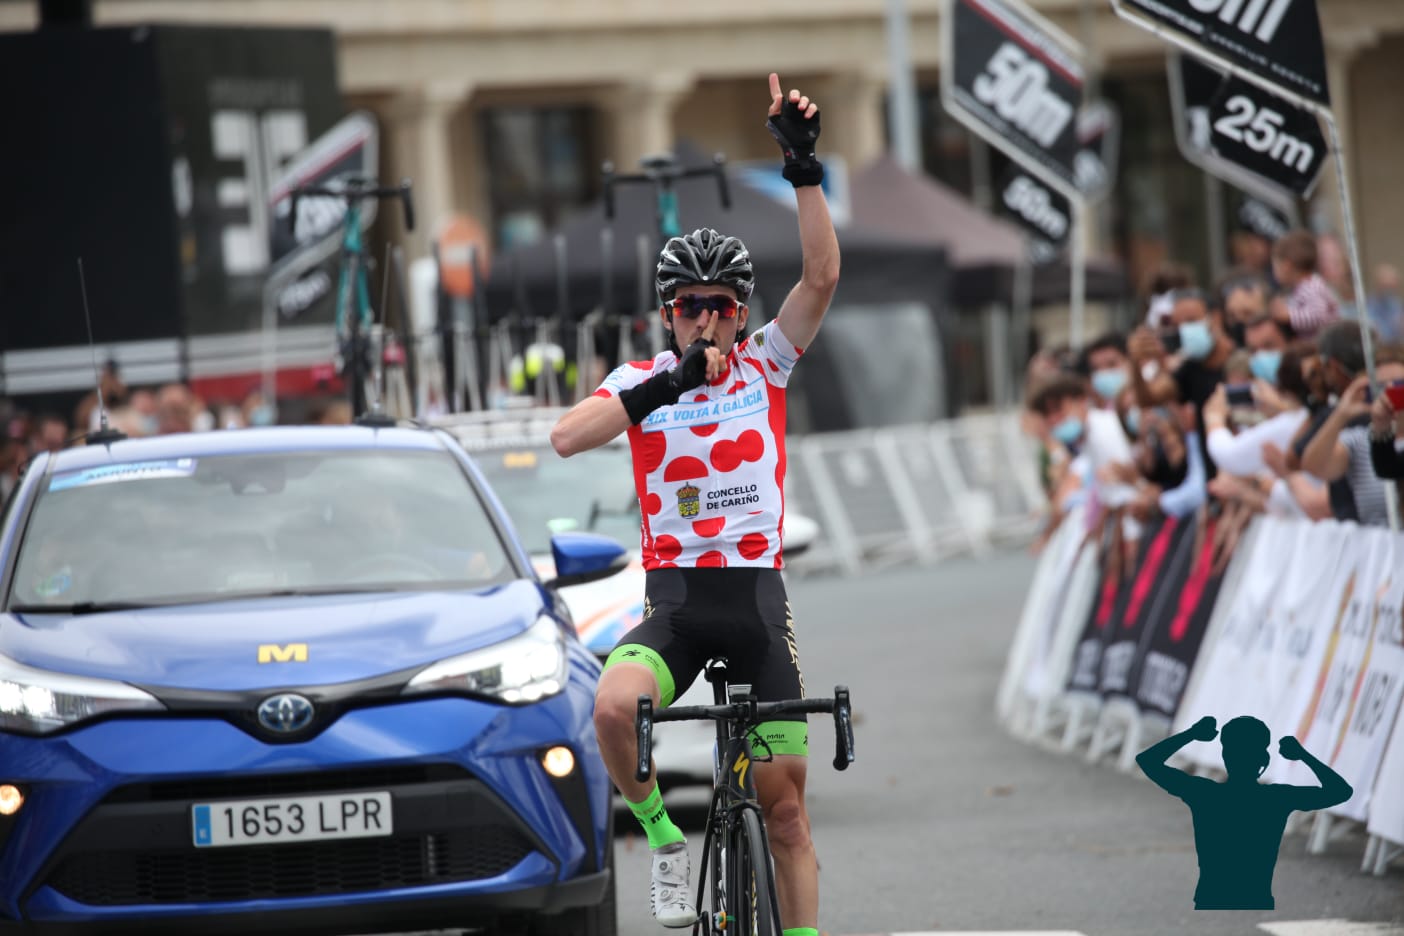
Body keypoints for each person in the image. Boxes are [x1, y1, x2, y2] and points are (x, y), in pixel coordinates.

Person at [550, 73, 838, 936]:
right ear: (669, 316)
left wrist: (802, 168)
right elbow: (568, 437)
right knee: (608, 705)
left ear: (740, 311)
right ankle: (666, 840)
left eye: (721, 307)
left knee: (785, 814)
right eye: (690, 308)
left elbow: (821, 276)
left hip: (754, 598)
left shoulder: (765, 364)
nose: (707, 321)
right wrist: (670, 385)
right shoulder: (645, 380)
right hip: (675, 601)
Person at [1137, 715, 1352, 910]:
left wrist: (1192, 734)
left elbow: (1147, 761)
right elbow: (1340, 791)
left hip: (1210, 897)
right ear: (1263, 759)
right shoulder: (1276, 798)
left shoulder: (1205, 793)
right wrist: (1302, 755)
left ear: (1226, 755)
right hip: (1256, 899)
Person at [1299, 343, 1403, 527]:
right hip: (1378, 546)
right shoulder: (1360, 439)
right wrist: (1342, 413)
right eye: (1379, 388)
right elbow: (1315, 466)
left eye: (1398, 386)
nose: (1389, 394)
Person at [1270, 230, 1340, 339]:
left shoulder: (1310, 287)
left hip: (1326, 341)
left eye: (1275, 267)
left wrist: (1289, 316)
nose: (1274, 272)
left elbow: (1319, 315)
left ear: (1286, 266)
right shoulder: (1302, 287)